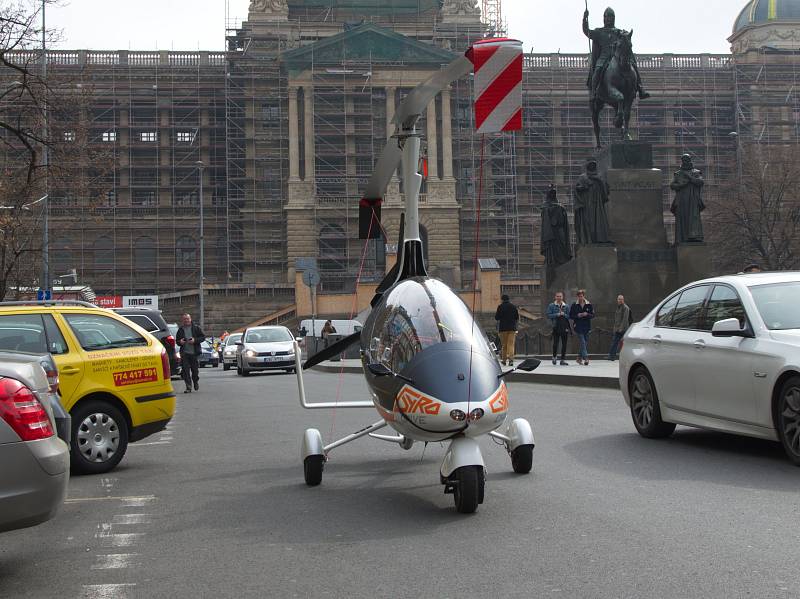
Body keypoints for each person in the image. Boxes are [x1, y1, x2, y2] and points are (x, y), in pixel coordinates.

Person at [583, 6, 649, 101]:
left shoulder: (619, 32)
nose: (608, 19)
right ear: (604, 18)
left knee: (633, 65)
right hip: (604, 57)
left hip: (618, 56)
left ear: (614, 18)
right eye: (606, 17)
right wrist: (585, 19)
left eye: (611, 17)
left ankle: (640, 87)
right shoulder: (599, 32)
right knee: (597, 70)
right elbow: (586, 31)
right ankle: (594, 93)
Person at [574, 159, 611, 245]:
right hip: (587, 203)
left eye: (593, 165)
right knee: (588, 221)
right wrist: (583, 187)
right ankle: (588, 239)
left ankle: (600, 238)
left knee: (599, 221)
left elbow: (606, 189)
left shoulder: (600, 177)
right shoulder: (583, 177)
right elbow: (577, 188)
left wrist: (599, 181)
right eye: (590, 165)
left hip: (598, 204)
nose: (592, 166)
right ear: (587, 166)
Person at [670, 154, 705, 243]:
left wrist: (689, 178)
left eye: (687, 159)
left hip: (693, 199)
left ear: (690, 160)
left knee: (693, 218)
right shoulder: (678, 173)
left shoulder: (696, 172)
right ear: (682, 161)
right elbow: (672, 185)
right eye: (683, 160)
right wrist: (682, 185)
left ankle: (695, 237)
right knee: (682, 218)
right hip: (681, 199)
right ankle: (682, 238)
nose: (685, 161)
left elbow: (700, 182)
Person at [175, 313, 206, 393]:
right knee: (185, 371)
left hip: (194, 353)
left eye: (187, 319)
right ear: (182, 320)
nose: (186, 320)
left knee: (195, 371)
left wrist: (195, 340)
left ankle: (195, 381)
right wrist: (180, 342)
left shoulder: (196, 328)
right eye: (185, 319)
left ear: (190, 319)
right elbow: (177, 341)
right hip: (184, 353)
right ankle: (188, 387)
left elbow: (203, 337)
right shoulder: (180, 330)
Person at [569, 290, 594, 366]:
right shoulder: (574, 305)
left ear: (584, 296)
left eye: (582, 296)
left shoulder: (589, 304)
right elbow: (570, 316)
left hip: (586, 326)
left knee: (585, 342)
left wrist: (587, 314)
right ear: (577, 297)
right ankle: (586, 358)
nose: (580, 297)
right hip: (578, 325)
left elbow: (593, 315)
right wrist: (578, 315)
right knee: (583, 342)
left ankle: (579, 358)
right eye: (579, 296)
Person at [546, 291, 571, 366]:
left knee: (564, 344)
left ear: (562, 297)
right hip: (556, 326)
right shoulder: (551, 305)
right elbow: (548, 315)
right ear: (555, 297)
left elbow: (569, 316)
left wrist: (564, 314)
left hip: (564, 327)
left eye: (560, 296)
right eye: (557, 296)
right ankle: (554, 357)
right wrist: (557, 314)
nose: (559, 298)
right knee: (555, 343)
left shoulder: (566, 306)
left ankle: (562, 360)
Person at [495, 294, 520, 366]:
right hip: (512, 328)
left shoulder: (500, 307)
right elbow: (516, 317)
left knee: (504, 345)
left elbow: (496, 317)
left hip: (503, 329)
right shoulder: (513, 307)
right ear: (509, 299)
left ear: (502, 299)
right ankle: (511, 360)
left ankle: (504, 360)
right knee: (511, 345)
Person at [608, 294, 632, 361]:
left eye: (621, 299)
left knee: (617, 342)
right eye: (619, 299)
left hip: (623, 329)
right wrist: (615, 328)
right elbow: (616, 319)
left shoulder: (626, 308)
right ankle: (612, 356)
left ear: (623, 300)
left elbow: (625, 319)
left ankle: (611, 356)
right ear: (617, 300)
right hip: (618, 328)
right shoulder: (618, 307)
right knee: (615, 342)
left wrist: (620, 328)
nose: (620, 300)